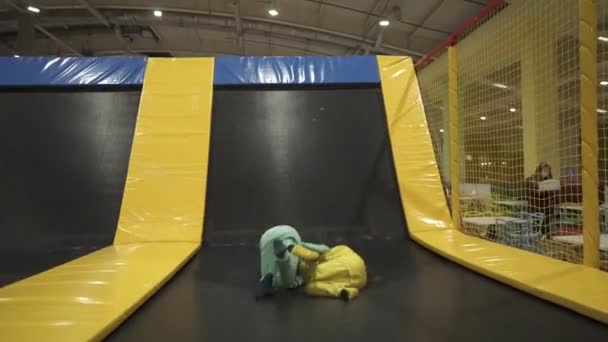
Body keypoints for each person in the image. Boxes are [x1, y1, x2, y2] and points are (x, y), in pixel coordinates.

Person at [255, 225, 367, 301]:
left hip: (354, 264)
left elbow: (322, 251)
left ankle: (284, 256)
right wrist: (345, 292)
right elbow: (324, 288)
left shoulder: (306, 274)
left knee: (308, 282)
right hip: (355, 274)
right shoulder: (306, 277)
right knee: (301, 283)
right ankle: (286, 254)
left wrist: (301, 246)